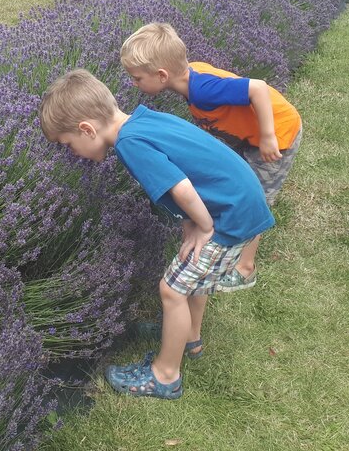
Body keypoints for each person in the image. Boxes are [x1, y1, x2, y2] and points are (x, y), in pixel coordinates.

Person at [40, 69, 273, 399]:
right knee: (192, 272)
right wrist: (190, 222)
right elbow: (188, 166)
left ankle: (165, 376)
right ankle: (189, 338)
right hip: (237, 198)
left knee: (172, 291)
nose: (71, 153)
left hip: (230, 215)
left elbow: (180, 186)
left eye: (68, 144)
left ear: (87, 129)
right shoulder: (142, 121)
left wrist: (204, 225)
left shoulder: (130, 143)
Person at [120, 22, 302, 292]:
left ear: (161, 75)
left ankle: (245, 268)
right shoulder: (190, 79)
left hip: (277, 133)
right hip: (247, 136)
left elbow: (258, 88)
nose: (133, 84)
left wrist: (267, 136)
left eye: (137, 78)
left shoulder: (202, 90)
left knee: (255, 198)